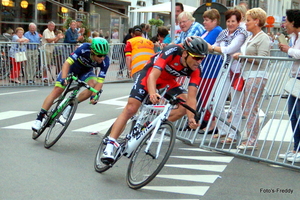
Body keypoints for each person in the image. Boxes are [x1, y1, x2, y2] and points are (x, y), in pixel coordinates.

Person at [101, 36, 208, 164]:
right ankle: (109, 146)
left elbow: (191, 97)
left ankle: (150, 127)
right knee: (131, 108)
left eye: (202, 58)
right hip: (149, 75)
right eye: (196, 57)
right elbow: (153, 75)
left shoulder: (197, 70)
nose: (199, 61)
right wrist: (152, 93)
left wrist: (191, 117)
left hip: (168, 82)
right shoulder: (171, 51)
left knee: (185, 106)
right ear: (185, 53)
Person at [32, 37, 110, 131]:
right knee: (58, 89)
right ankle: (39, 118)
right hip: (71, 68)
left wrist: (94, 96)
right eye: (99, 55)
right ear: (92, 51)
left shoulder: (105, 61)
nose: (102, 58)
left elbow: (100, 81)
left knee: (93, 85)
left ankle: (70, 105)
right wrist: (64, 78)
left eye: (104, 55)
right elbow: (67, 64)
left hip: (85, 72)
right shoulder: (84, 48)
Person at [207, 9, 248, 143]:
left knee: (235, 104)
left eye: (233, 21)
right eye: (228, 21)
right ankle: (223, 130)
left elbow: (229, 49)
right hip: (224, 70)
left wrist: (212, 48)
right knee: (216, 101)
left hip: (237, 71)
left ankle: (233, 133)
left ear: (238, 21)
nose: (230, 24)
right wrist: (213, 47)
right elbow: (215, 46)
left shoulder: (241, 33)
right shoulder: (223, 33)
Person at [233, 8, 270, 150]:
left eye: (248, 20)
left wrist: (243, 57)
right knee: (247, 107)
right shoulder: (251, 37)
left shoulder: (263, 37)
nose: (246, 23)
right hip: (248, 75)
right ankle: (250, 138)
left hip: (257, 75)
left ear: (257, 21)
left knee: (250, 108)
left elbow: (263, 59)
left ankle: (252, 140)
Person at [194, 8, 223, 133]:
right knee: (205, 96)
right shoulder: (208, 31)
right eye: (204, 20)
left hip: (212, 69)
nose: (204, 23)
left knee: (209, 96)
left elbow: (202, 44)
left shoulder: (216, 31)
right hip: (206, 68)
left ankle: (213, 123)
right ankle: (208, 121)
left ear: (215, 21)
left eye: (207, 20)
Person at [278, 9, 300, 162]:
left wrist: (289, 50)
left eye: (286, 21)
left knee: (299, 115)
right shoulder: (294, 37)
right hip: (295, 79)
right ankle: (296, 148)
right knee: (293, 115)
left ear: (294, 22)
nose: (284, 24)